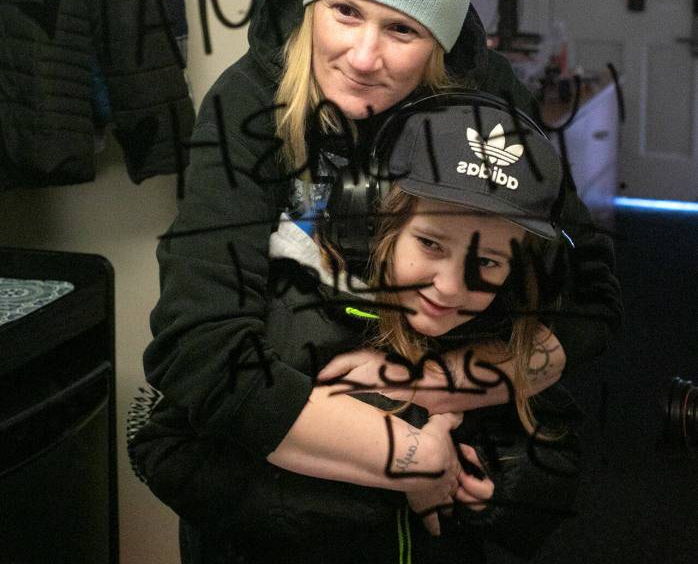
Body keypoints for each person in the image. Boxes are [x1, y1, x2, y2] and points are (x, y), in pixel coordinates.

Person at [142, 0, 620, 556]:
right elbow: (198, 351)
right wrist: (405, 454)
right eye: (344, 12)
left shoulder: (488, 97)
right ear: (313, 5)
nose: (363, 56)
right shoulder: (247, 103)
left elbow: (587, 295)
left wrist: (426, 382)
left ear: (440, 43)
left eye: (401, 30)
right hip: (272, 522)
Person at [132, 95, 582, 563]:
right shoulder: (296, 316)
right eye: (430, 244)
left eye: (487, 262)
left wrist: (488, 487)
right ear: (371, 222)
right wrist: (400, 466)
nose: (450, 288)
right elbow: (166, 450)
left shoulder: (499, 331)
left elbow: (556, 468)